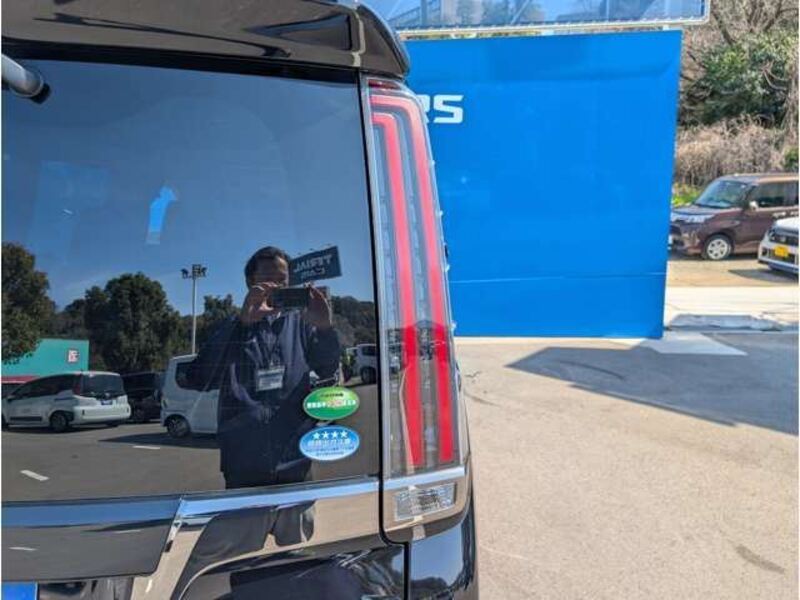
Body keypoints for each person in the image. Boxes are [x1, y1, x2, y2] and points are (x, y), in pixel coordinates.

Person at [186, 246, 340, 489]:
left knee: (297, 514)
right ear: (250, 283)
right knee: (244, 515)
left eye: (283, 280)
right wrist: (242, 324)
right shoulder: (231, 327)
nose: (277, 286)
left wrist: (325, 329)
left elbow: (327, 369)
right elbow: (198, 378)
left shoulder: (302, 324)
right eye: (268, 279)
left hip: (296, 463)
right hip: (243, 465)